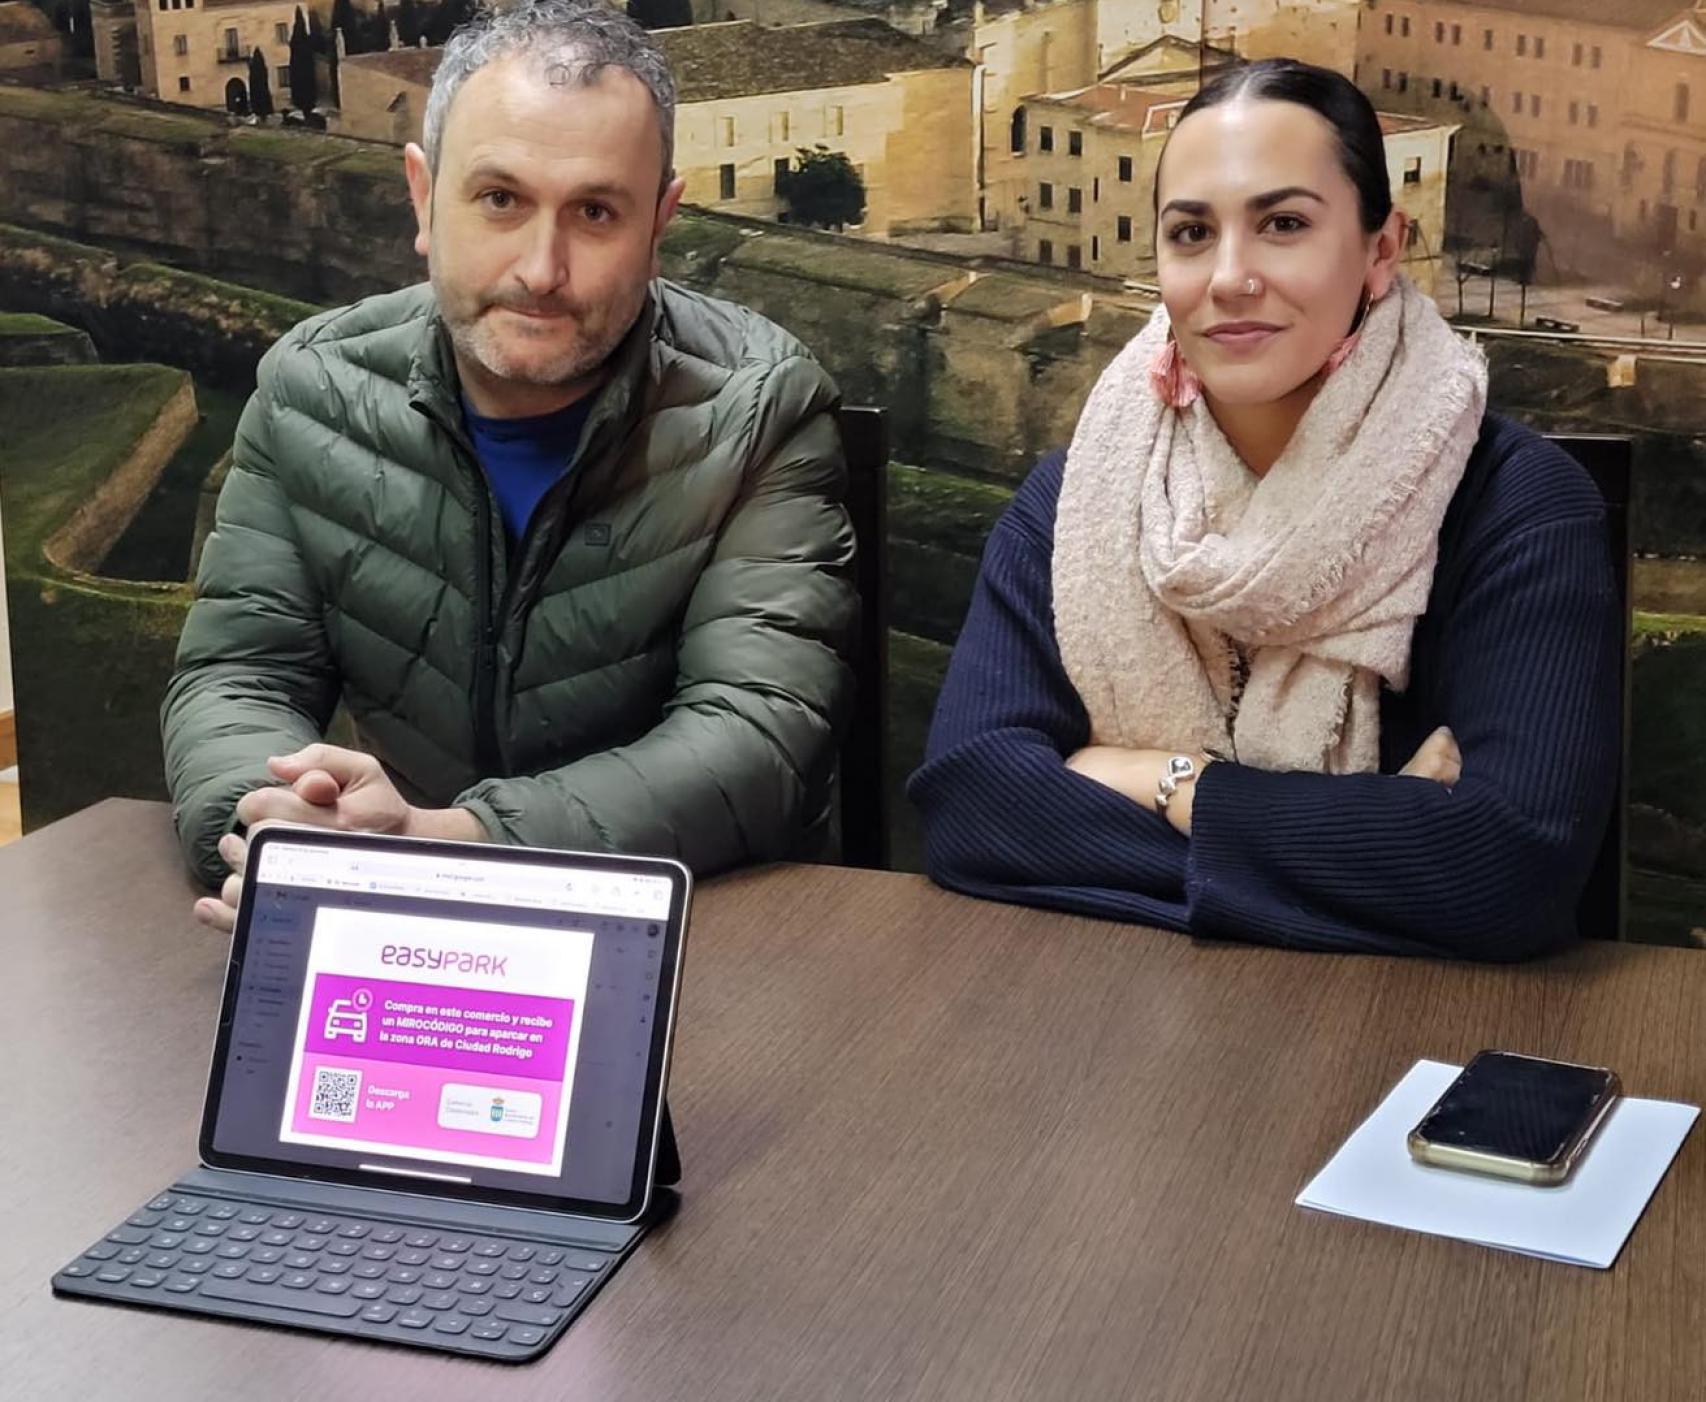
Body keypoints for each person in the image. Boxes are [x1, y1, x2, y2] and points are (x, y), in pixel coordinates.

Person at [164, 0, 857, 932]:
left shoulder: (760, 410)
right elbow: (237, 680)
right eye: (500, 199)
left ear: (660, 224)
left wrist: (458, 845)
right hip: (403, 932)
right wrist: (283, 830)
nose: (541, 267)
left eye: (596, 212)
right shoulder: (311, 388)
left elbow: (757, 736)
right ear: (424, 197)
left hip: (697, 933)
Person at [909, 59, 1620, 960]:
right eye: (1192, 233)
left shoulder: (1515, 510)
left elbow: (1504, 869)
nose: (1231, 276)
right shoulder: (1075, 502)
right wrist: (1374, 845)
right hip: (1116, 1040)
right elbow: (973, 807)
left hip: (1409, 1053)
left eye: (1283, 224)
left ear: (1381, 248)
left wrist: (1158, 783)